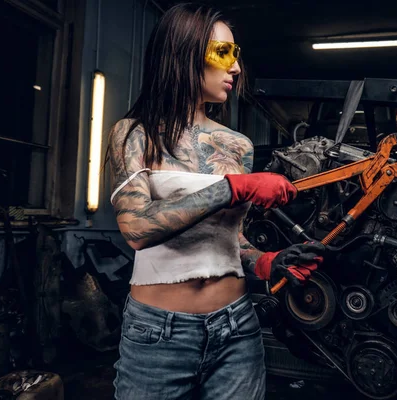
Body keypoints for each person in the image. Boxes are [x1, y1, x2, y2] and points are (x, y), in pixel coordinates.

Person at [107, 3, 324, 399]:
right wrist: (232, 187)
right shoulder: (133, 134)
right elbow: (136, 228)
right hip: (158, 333)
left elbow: (230, 239)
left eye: (236, 55)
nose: (236, 69)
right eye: (223, 53)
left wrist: (263, 261)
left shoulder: (236, 144)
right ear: (184, 54)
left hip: (237, 327)